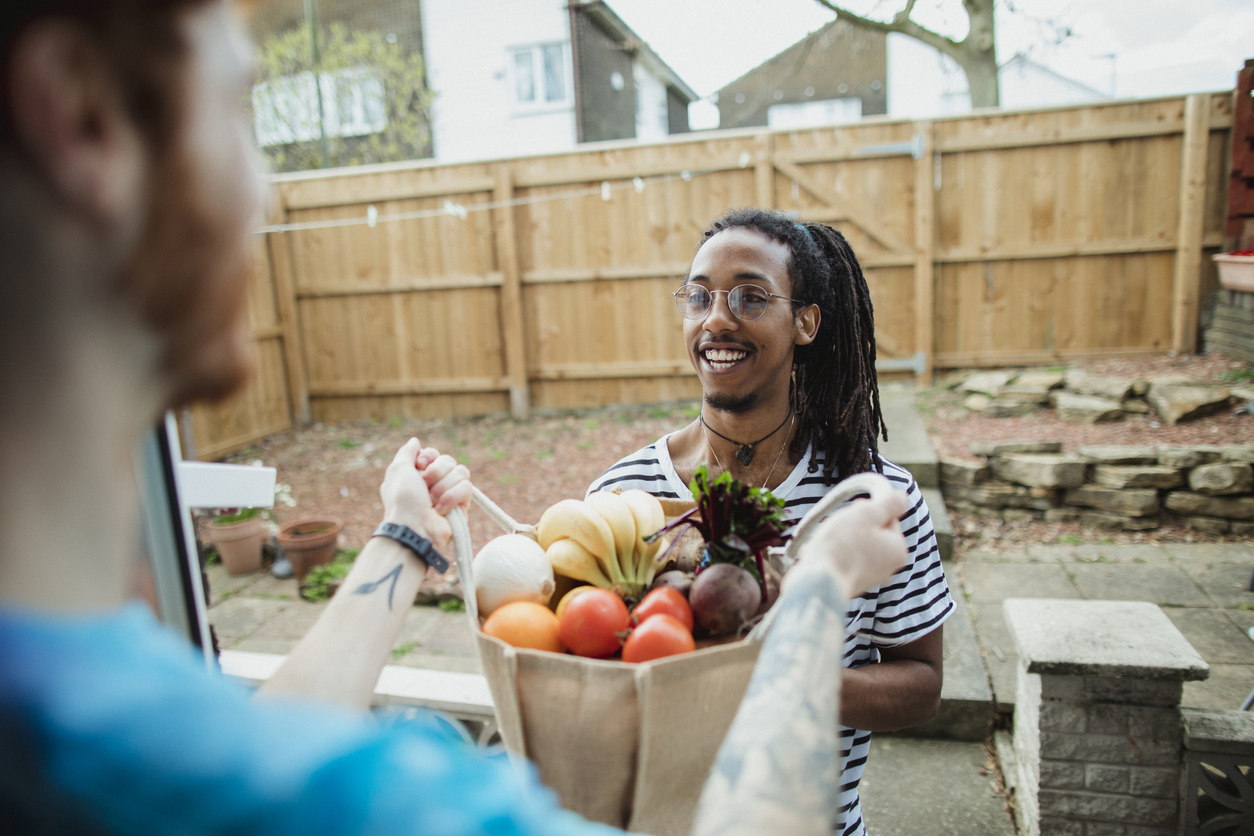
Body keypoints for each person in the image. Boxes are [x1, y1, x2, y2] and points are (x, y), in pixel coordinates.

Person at [0, 1, 910, 833]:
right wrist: (820, 589)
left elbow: (247, 751)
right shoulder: (399, 803)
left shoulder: (109, 734)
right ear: (84, 119)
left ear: (805, 323)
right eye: (239, 105)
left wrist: (405, 535)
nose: (265, 190)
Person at [588, 208, 955, 836]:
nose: (717, 319)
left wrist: (780, 670)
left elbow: (920, 683)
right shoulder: (622, 498)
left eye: (751, 297)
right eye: (699, 297)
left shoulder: (875, 502)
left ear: (805, 322)